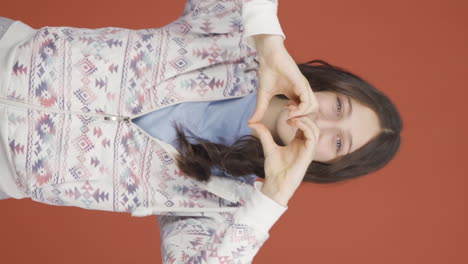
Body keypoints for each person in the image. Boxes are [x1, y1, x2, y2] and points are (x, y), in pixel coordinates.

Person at [0, 0, 402, 263]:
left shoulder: (225, 204)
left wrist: (272, 199)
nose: (322, 123)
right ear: (324, 85)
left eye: (338, 141)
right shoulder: (234, 41)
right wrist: (268, 41)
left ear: (328, 165)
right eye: (338, 106)